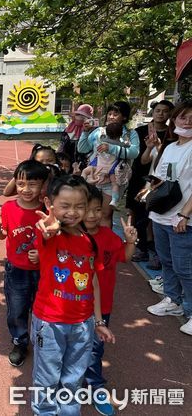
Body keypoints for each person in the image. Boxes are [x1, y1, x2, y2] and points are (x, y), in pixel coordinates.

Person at [31, 175, 115, 415]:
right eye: (65, 206)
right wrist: (49, 229)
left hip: (82, 323)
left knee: (73, 378)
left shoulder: (88, 240)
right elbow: (46, 232)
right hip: (49, 323)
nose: (73, 212)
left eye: (79, 206)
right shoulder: (50, 233)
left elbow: (94, 282)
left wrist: (98, 321)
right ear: (49, 204)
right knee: (47, 378)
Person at [83, 186, 136, 416]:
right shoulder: (66, 236)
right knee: (67, 348)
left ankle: (95, 387)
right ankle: (64, 386)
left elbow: (124, 256)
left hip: (100, 308)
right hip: (69, 307)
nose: (93, 215)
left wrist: (131, 241)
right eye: (87, 210)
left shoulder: (108, 237)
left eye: (98, 209)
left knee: (95, 349)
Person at [0, 160, 49, 367]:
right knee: (17, 310)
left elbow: (58, 241)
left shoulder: (48, 210)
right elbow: (2, 235)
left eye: (33, 184)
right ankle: (20, 341)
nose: (26, 189)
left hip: (45, 271)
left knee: (44, 309)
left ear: (43, 185)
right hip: (16, 270)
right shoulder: (8, 207)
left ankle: (44, 342)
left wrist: (43, 255)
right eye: (21, 183)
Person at [145, 101, 192, 336]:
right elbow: (159, 176)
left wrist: (185, 213)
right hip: (162, 214)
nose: (188, 121)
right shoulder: (171, 147)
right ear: (175, 120)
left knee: (185, 267)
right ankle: (172, 300)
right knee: (168, 261)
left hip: (182, 217)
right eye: (183, 117)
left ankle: (191, 311)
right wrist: (147, 194)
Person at [126, 100, 175, 264]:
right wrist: (149, 146)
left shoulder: (173, 134)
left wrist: (159, 147)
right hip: (140, 178)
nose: (161, 114)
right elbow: (141, 159)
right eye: (158, 110)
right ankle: (140, 247)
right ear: (152, 112)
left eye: (165, 111)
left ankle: (153, 249)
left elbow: (169, 161)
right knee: (137, 212)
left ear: (170, 114)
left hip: (160, 180)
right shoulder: (140, 131)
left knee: (152, 215)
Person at [78, 101, 140, 226]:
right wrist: (85, 132)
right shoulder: (99, 132)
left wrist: (111, 148)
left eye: (115, 114)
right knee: (89, 211)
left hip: (114, 179)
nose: (111, 117)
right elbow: (82, 149)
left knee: (106, 214)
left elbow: (134, 152)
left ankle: (105, 243)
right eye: (109, 114)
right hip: (95, 177)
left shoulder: (130, 134)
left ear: (124, 117)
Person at [81, 122, 126, 208]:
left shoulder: (101, 142)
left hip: (99, 166)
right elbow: (127, 150)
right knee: (114, 184)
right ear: (120, 134)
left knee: (85, 171)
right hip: (112, 169)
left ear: (107, 133)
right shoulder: (121, 145)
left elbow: (95, 151)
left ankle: (82, 185)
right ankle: (114, 200)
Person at [58, 103, 94, 168]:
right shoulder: (68, 129)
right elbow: (61, 145)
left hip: (84, 164)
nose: (79, 117)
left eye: (82, 116)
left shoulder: (92, 132)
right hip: (66, 164)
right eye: (77, 114)